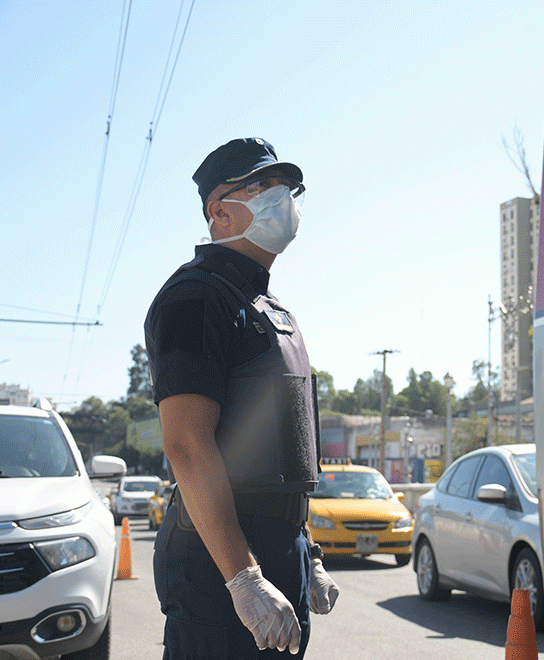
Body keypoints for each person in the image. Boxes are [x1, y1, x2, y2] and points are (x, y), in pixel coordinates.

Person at [145, 137, 338, 659]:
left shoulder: (270, 309)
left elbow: (286, 445)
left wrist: (308, 550)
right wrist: (244, 581)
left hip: (278, 550)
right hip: (221, 563)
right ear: (218, 211)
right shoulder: (194, 298)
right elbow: (186, 444)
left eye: (285, 187)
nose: (280, 198)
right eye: (260, 186)